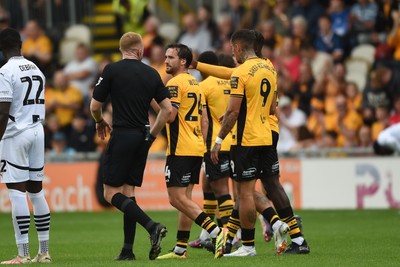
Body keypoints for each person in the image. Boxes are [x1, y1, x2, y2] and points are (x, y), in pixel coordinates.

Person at [194, 30, 310, 255]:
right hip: (269, 133)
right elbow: (272, 107)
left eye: (231, 47)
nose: (231, 51)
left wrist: (218, 140)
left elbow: (234, 111)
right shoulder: (269, 67)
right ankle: (297, 239)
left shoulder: (242, 73)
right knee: (272, 185)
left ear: (238, 47)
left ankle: (247, 246)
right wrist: (197, 64)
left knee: (244, 193)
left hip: (247, 138)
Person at [90, 32, 171, 261]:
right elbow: (166, 111)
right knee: (128, 192)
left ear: (121, 50)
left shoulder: (112, 70)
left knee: (109, 193)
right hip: (142, 135)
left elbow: (95, 105)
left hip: (123, 134)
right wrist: (152, 136)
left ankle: (152, 226)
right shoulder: (151, 73)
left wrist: (99, 121)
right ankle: (127, 250)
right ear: (139, 50)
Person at [156, 44, 224, 260]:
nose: (166, 61)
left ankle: (216, 232)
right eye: (165, 57)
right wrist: (202, 145)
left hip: (181, 148)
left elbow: (170, 116)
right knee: (185, 199)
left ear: (183, 61)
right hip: (195, 146)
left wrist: (152, 100)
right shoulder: (196, 83)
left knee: (176, 198)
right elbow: (204, 119)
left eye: (171, 57)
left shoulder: (175, 83)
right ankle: (180, 249)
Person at [0, 28, 51, 264]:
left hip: (15, 133)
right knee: (37, 191)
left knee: (16, 191)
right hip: (37, 130)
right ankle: (44, 252)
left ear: (2, 48)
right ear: (21, 45)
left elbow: (3, 111)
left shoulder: (5, 71)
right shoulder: (35, 68)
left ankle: (23, 254)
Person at [188, 51, 234, 249]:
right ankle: (207, 234)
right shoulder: (232, 82)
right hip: (237, 142)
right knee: (209, 186)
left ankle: (228, 235)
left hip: (216, 143)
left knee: (221, 191)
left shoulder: (203, 86)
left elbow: (203, 118)